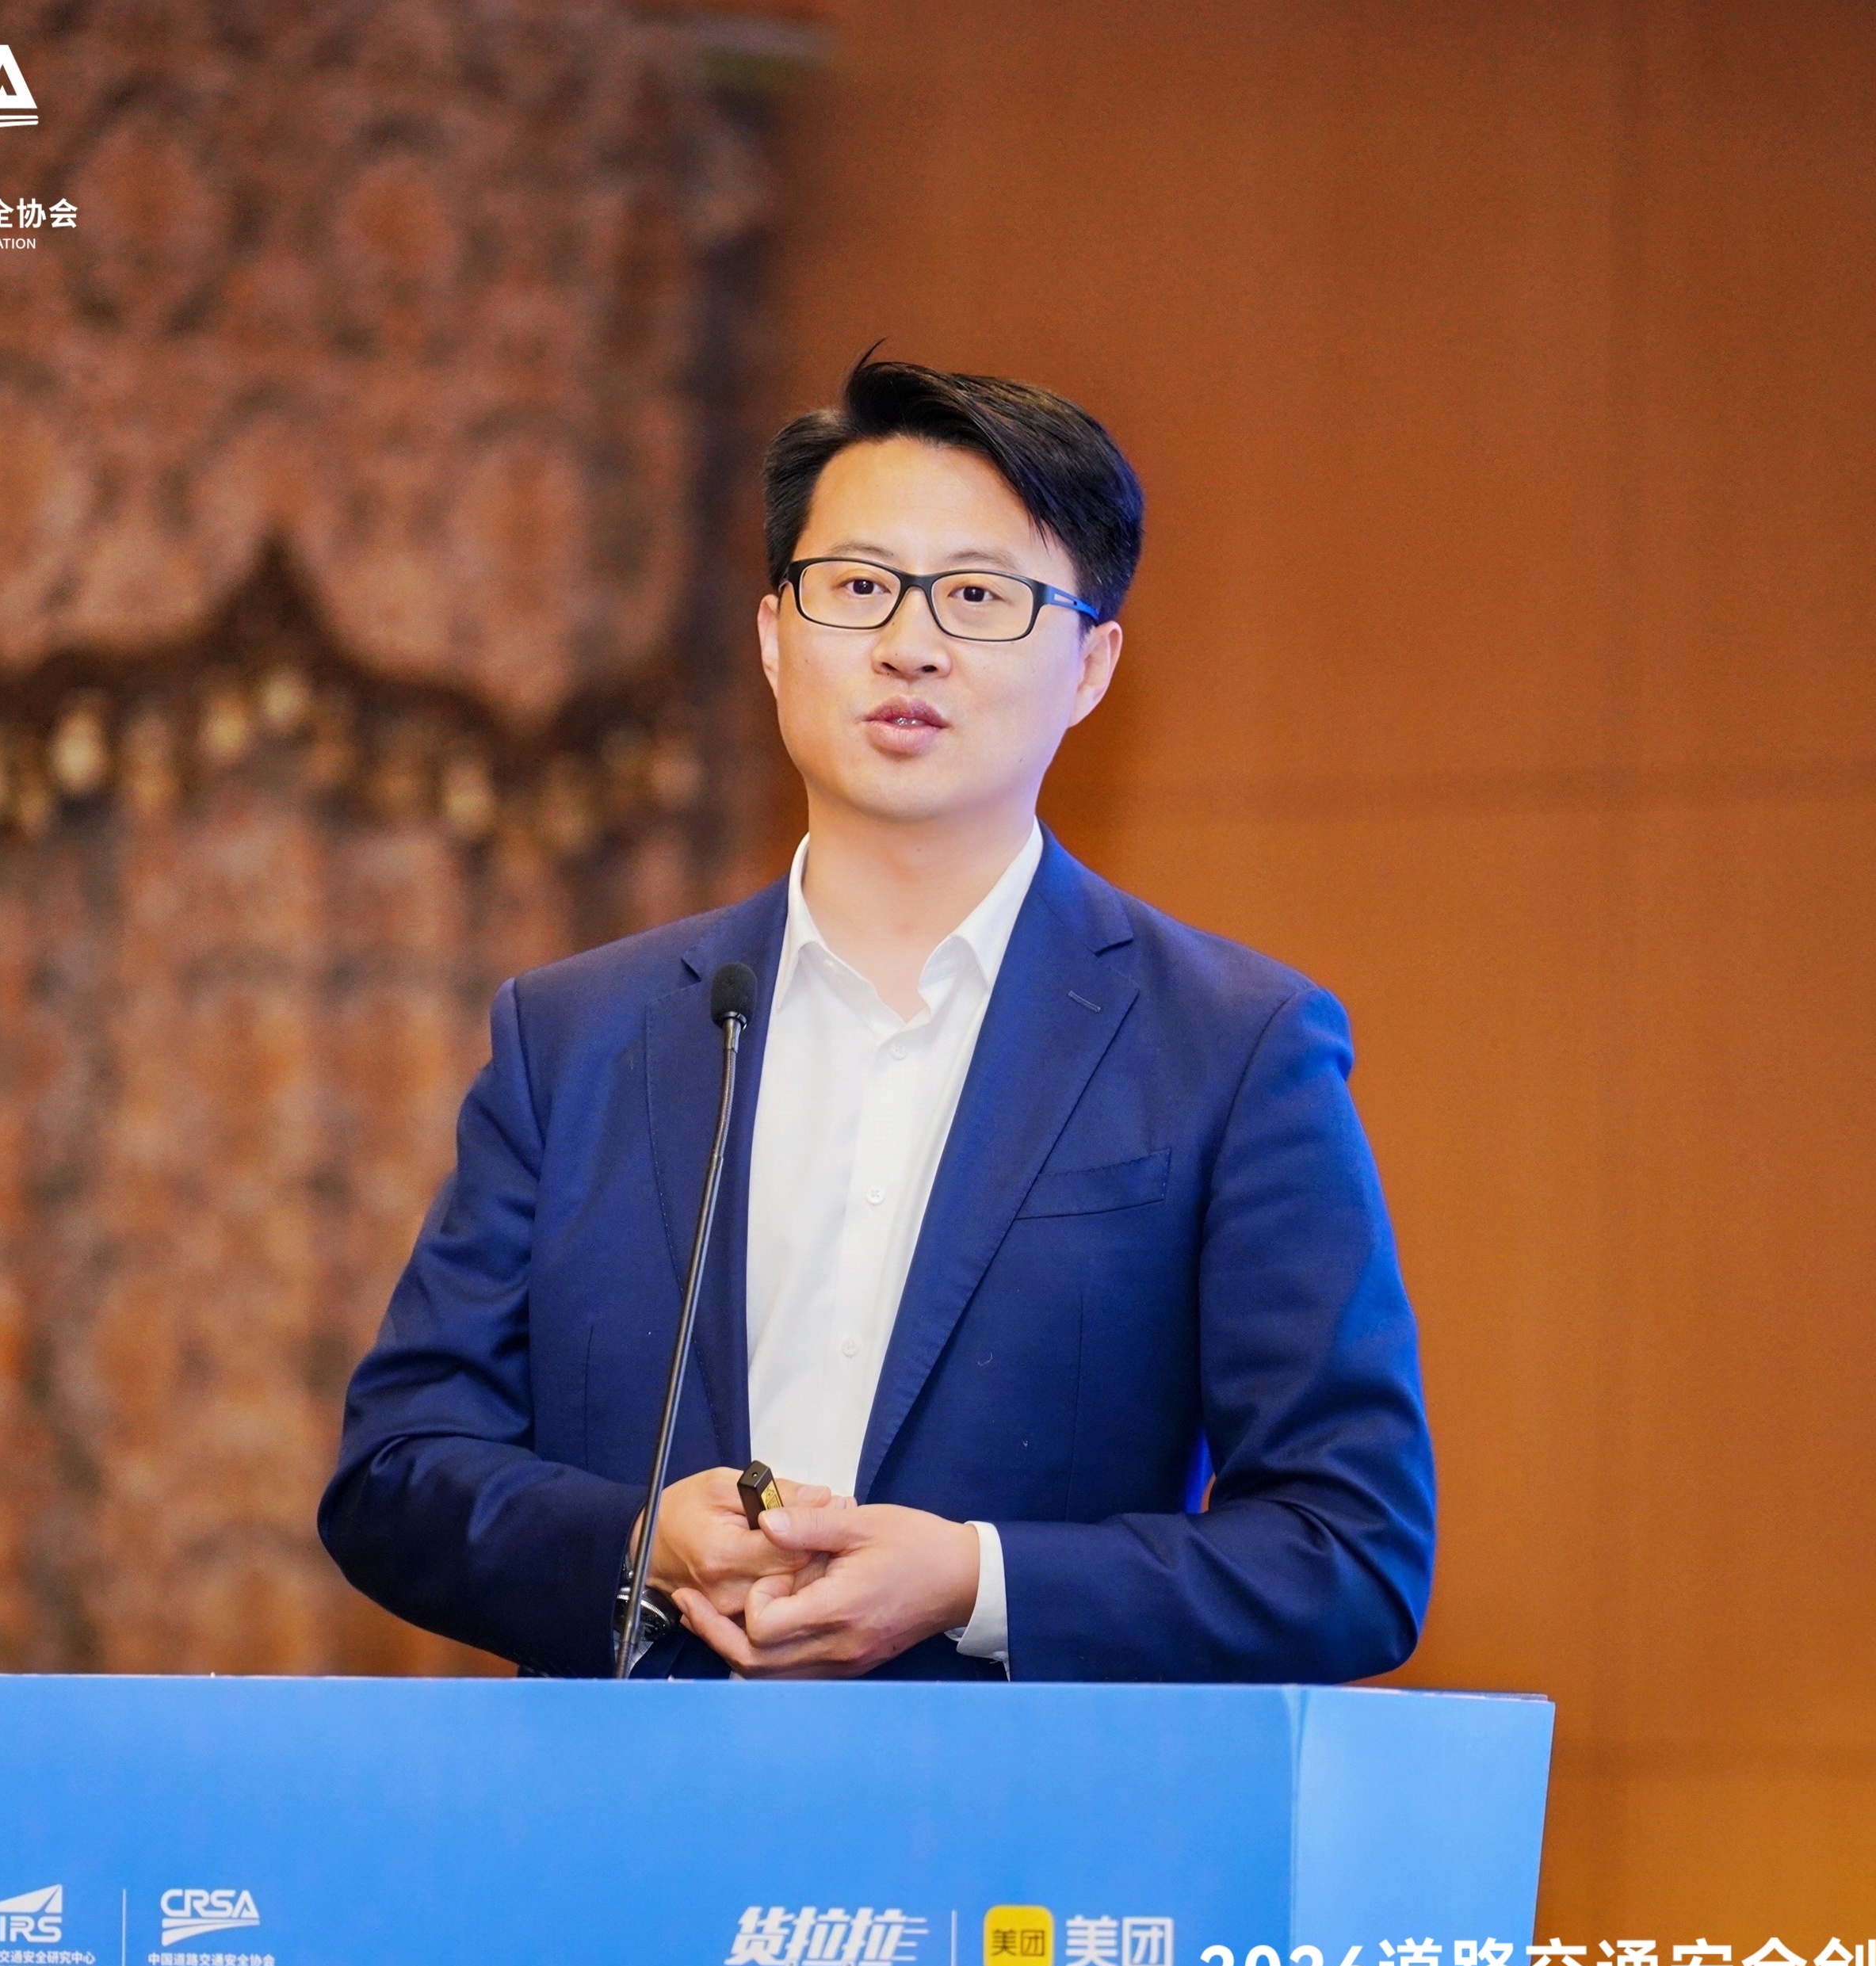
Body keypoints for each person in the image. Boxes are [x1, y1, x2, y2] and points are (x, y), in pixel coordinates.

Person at [318, 355, 1432, 1682]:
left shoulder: (1233, 1048)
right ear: (774, 637)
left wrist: (974, 1579)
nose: (911, 643)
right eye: (857, 587)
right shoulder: (579, 1039)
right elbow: (397, 1473)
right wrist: (639, 1544)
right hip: (631, 1794)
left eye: (980, 596)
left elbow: (1351, 1549)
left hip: (1014, 1805)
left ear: (1091, 665)